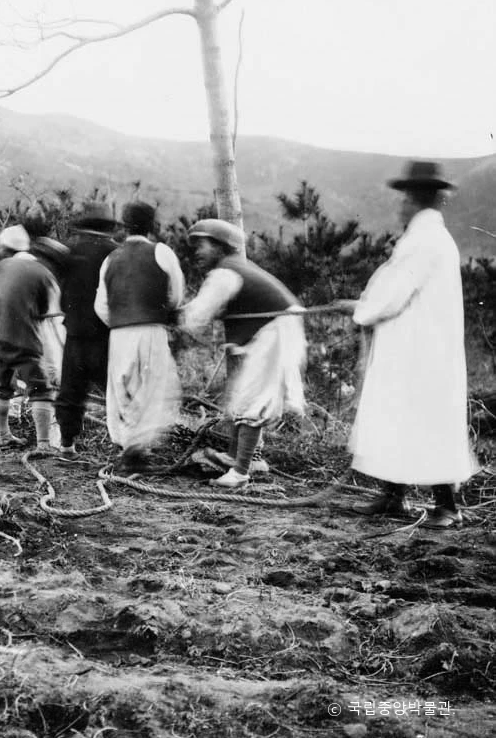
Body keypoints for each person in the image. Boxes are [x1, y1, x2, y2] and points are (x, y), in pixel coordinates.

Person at [336, 161, 478, 528]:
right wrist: (365, 307)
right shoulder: (427, 238)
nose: (400, 206)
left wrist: (361, 310)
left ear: (415, 200)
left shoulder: (424, 241)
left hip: (420, 351)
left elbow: (392, 295)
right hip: (414, 346)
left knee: (425, 419)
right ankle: (392, 495)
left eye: (404, 199)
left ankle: (447, 506)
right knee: (398, 414)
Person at [180, 218, 307, 489]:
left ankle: (240, 472)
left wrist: (172, 315)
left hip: (275, 334)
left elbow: (197, 317)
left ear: (221, 247)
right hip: (273, 331)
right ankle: (236, 457)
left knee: (253, 398)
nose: (197, 253)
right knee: (242, 395)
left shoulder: (225, 273)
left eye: (202, 245)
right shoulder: (236, 269)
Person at [94, 201, 184, 471]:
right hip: (150, 329)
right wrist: (158, 312)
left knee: (122, 388)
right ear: (151, 225)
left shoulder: (111, 258)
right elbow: (176, 295)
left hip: (119, 333)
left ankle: (127, 445)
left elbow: (101, 305)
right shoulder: (162, 252)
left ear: (124, 226)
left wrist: (120, 321)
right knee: (151, 387)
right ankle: (137, 450)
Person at [0, 225, 64, 453]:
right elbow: (52, 313)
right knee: (41, 389)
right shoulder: (42, 273)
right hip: (22, 337)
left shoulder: (1, 266)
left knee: (2, 385)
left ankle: (3, 436)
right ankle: (44, 444)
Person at [55, 202, 118, 455]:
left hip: (75, 331)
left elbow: (60, 293)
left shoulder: (70, 251)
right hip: (106, 333)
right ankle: (124, 446)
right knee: (114, 390)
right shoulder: (116, 252)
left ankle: (67, 444)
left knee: (71, 389)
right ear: (109, 227)